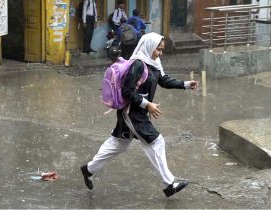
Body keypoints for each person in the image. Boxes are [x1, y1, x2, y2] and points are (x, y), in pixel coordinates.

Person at [80, 32, 198, 197]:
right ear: (149, 46)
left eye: (162, 50)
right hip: (132, 112)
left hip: (137, 111)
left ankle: (89, 169)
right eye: (158, 49)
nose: (160, 53)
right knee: (156, 142)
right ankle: (169, 184)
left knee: (119, 143)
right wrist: (147, 104)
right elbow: (127, 92)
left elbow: (163, 80)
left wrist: (185, 84)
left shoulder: (154, 63)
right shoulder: (138, 65)